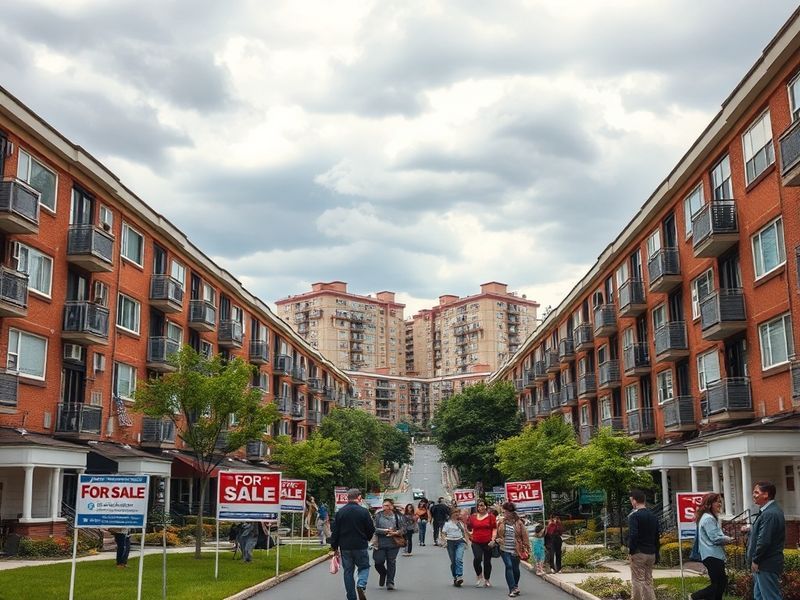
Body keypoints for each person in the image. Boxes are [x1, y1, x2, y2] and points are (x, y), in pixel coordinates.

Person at [331, 488, 375, 600]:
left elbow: (335, 531)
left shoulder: (340, 512)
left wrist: (334, 547)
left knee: (348, 572)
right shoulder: (364, 512)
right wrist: (367, 539)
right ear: (359, 497)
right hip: (360, 545)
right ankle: (361, 584)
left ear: (347, 498)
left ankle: (351, 597)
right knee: (364, 567)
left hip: (345, 547)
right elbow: (371, 529)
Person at [745, 481, 785, 600]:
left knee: (770, 597)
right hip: (763, 564)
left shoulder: (770, 514)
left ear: (766, 495)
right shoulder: (768, 512)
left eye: (756, 492)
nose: (753, 495)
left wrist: (756, 560)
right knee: (760, 596)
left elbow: (764, 541)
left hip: (766, 564)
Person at [691, 493, 734, 600]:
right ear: (709, 504)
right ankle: (695, 596)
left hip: (711, 555)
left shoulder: (707, 518)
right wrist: (730, 539)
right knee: (719, 583)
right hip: (713, 555)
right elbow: (715, 538)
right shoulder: (708, 519)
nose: (720, 504)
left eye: (720, 501)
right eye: (717, 502)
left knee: (719, 584)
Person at [627, 489, 660, 600]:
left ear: (635, 501)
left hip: (638, 552)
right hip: (651, 552)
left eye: (631, 501)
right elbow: (657, 536)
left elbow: (633, 535)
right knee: (648, 581)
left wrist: (631, 551)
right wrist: (657, 553)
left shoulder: (634, 516)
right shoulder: (653, 516)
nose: (631, 503)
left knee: (637, 580)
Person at [495, 501, 530, 598]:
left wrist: (527, 547)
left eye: (505, 512)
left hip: (516, 549)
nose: (504, 514)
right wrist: (497, 539)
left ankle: (515, 585)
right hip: (504, 548)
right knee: (509, 566)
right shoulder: (501, 522)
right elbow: (498, 534)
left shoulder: (519, 523)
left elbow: (525, 535)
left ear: (510, 512)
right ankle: (512, 589)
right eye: (503, 512)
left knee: (515, 569)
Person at [467, 499, 497, 587]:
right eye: (479, 506)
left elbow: (494, 528)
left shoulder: (491, 517)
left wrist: (493, 539)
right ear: (477, 507)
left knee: (487, 562)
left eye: (483, 505)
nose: (481, 507)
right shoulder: (473, 517)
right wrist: (469, 535)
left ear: (486, 506)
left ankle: (487, 579)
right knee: (477, 558)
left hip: (488, 542)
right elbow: (468, 527)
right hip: (476, 541)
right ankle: (479, 576)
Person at [373, 498, 402, 590]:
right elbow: (373, 528)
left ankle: (390, 582)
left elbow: (403, 528)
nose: (386, 507)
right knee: (378, 561)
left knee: (391, 562)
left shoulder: (398, 516)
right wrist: (385, 531)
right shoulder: (378, 516)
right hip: (380, 543)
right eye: (384, 505)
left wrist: (396, 532)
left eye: (388, 505)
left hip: (393, 543)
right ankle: (383, 573)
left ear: (392, 506)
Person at [442, 506, 469, 586]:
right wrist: (445, 541)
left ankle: (459, 576)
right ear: (451, 514)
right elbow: (443, 533)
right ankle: (455, 577)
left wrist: (467, 542)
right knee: (453, 561)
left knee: (459, 559)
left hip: (460, 541)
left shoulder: (461, 523)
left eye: (458, 512)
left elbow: (465, 532)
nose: (457, 514)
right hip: (450, 542)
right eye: (455, 512)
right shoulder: (447, 523)